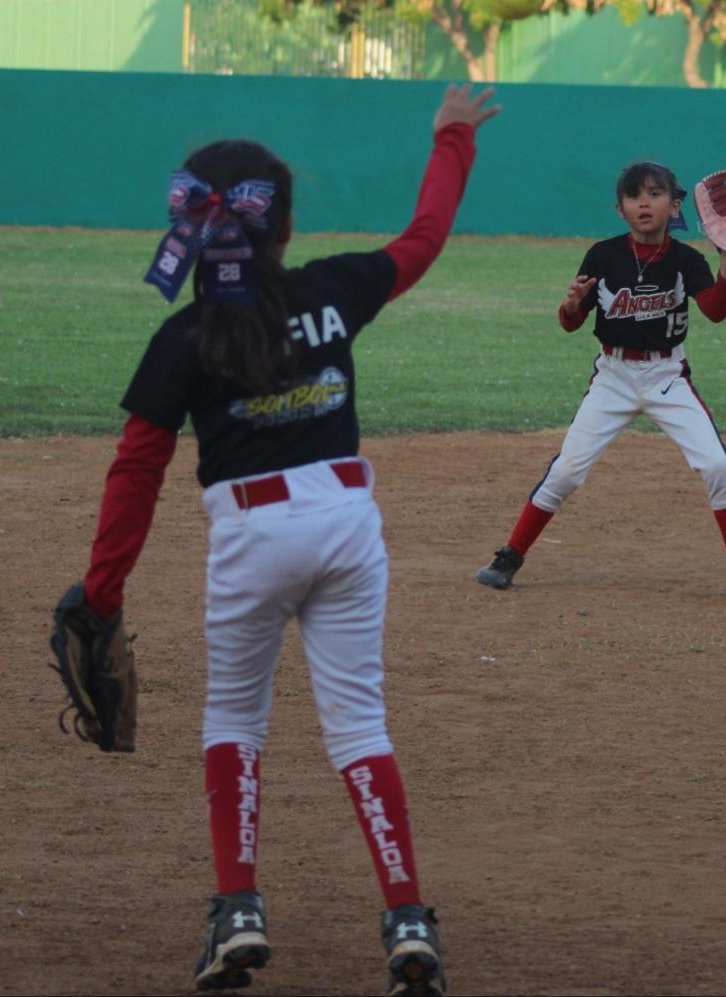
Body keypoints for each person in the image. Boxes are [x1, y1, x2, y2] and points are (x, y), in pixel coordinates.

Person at [73, 83, 500, 995]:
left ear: (193, 228)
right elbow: (423, 238)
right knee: (359, 726)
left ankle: (237, 910)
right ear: (284, 223)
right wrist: (452, 139)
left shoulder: (185, 334)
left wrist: (102, 591)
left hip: (250, 536)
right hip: (347, 524)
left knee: (235, 721)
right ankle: (407, 920)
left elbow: (135, 475)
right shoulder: (334, 290)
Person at [474, 161, 726, 598]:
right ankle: (509, 555)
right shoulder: (603, 256)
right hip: (614, 377)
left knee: (716, 463)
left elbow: (715, 311)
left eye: (656, 194)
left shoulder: (686, 260)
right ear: (619, 209)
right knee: (567, 471)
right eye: (634, 196)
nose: (645, 202)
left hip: (666, 375)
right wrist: (571, 304)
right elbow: (571, 323)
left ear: (675, 205)